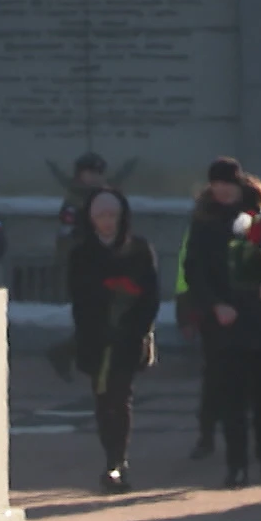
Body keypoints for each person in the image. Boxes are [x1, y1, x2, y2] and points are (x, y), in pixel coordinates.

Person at [183, 157, 261, 487]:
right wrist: (214, 305)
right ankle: (236, 465)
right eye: (217, 184)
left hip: (259, 317)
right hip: (223, 322)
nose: (223, 190)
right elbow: (194, 270)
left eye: (228, 184)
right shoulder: (203, 221)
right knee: (231, 398)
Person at [67, 188, 160, 494]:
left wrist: (132, 326)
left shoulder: (139, 249)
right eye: (100, 216)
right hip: (96, 339)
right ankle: (110, 454)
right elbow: (78, 297)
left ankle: (117, 461)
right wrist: (99, 324)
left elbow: (150, 296)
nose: (107, 222)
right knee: (102, 398)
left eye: (112, 216)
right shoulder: (81, 252)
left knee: (120, 399)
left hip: (128, 338)